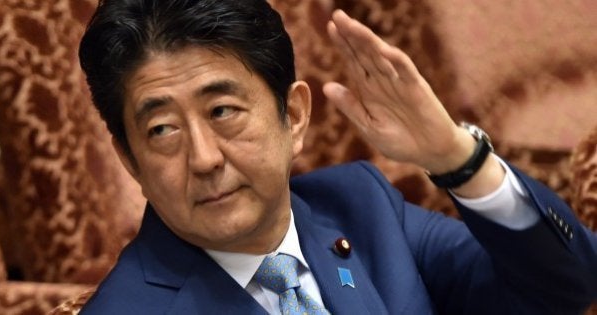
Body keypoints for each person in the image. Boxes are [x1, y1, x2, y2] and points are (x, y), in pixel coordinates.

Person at [77, 0, 597, 314]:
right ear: (130, 160)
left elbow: (565, 289)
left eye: (223, 111)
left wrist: (458, 159)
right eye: (162, 129)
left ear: (295, 116)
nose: (205, 157)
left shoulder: (360, 206)